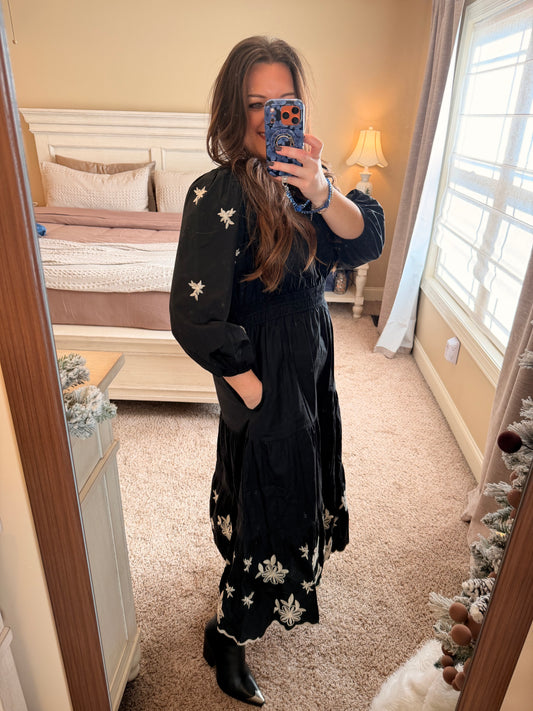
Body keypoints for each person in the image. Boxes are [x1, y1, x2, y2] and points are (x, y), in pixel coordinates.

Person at [170, 35, 384, 706]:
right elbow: (194, 315)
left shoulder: (309, 186)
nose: (269, 118)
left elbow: (366, 239)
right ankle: (227, 635)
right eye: (255, 103)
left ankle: (256, 602)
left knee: (300, 485)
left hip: (309, 365)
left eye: (283, 102)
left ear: (301, 107)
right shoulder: (214, 194)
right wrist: (255, 394)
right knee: (262, 505)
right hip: (261, 379)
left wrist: (319, 188)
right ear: (232, 109)